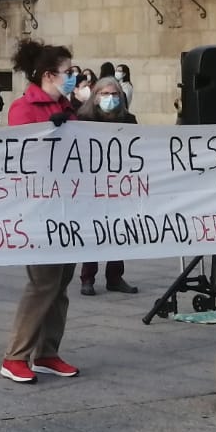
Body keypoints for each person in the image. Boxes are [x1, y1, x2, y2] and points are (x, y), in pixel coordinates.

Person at [0, 40, 82, 384]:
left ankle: (48, 352)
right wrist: (52, 130)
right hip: (40, 208)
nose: (72, 78)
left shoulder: (67, 106)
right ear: (49, 75)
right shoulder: (24, 107)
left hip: (70, 206)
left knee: (61, 282)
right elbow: (24, 153)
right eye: (67, 72)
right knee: (43, 282)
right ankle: (16, 355)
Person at [76, 78, 139, 297]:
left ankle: (115, 276)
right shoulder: (83, 120)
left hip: (119, 184)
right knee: (94, 229)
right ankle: (88, 277)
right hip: (92, 184)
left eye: (114, 94)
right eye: (104, 94)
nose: (110, 98)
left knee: (118, 229)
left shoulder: (129, 120)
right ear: (95, 97)